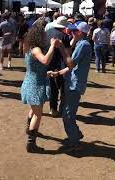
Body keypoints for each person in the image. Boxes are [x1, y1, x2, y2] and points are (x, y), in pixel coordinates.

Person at [49, 21, 92, 152]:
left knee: (67, 115)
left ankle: (75, 143)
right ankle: (75, 135)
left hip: (75, 84)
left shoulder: (83, 45)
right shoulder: (81, 43)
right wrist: (59, 72)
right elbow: (73, 66)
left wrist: (61, 47)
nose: (71, 33)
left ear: (79, 32)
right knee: (67, 113)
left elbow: (71, 63)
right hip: (73, 82)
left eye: (74, 31)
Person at [21, 21, 60, 153]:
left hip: (33, 81)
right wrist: (52, 47)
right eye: (43, 34)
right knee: (38, 114)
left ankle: (29, 129)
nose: (45, 36)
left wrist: (46, 72)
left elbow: (36, 66)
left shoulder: (29, 47)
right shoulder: (36, 49)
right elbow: (45, 60)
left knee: (33, 109)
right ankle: (31, 144)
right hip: (35, 85)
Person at [45, 16, 71, 117]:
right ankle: (62, 108)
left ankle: (53, 109)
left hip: (49, 62)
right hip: (60, 64)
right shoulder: (64, 35)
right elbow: (68, 53)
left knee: (52, 87)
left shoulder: (47, 33)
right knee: (63, 88)